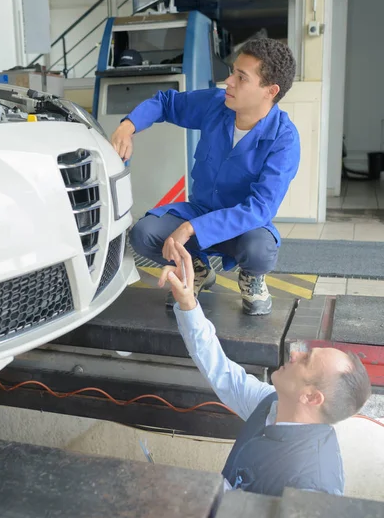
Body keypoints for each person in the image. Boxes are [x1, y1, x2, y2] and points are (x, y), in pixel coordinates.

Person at [159, 240, 372, 496]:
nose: (295, 355)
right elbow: (221, 370)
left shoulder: (313, 485)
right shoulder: (272, 404)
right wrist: (188, 302)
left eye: (306, 360)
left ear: (311, 397)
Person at [111, 38, 300, 316]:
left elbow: (259, 209)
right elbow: (166, 103)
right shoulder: (217, 105)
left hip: (243, 227)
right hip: (200, 208)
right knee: (144, 234)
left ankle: (252, 278)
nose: (229, 82)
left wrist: (191, 228)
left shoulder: (284, 139)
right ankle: (196, 268)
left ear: (269, 91)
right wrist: (127, 127)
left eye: (241, 77)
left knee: (260, 249)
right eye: (232, 72)